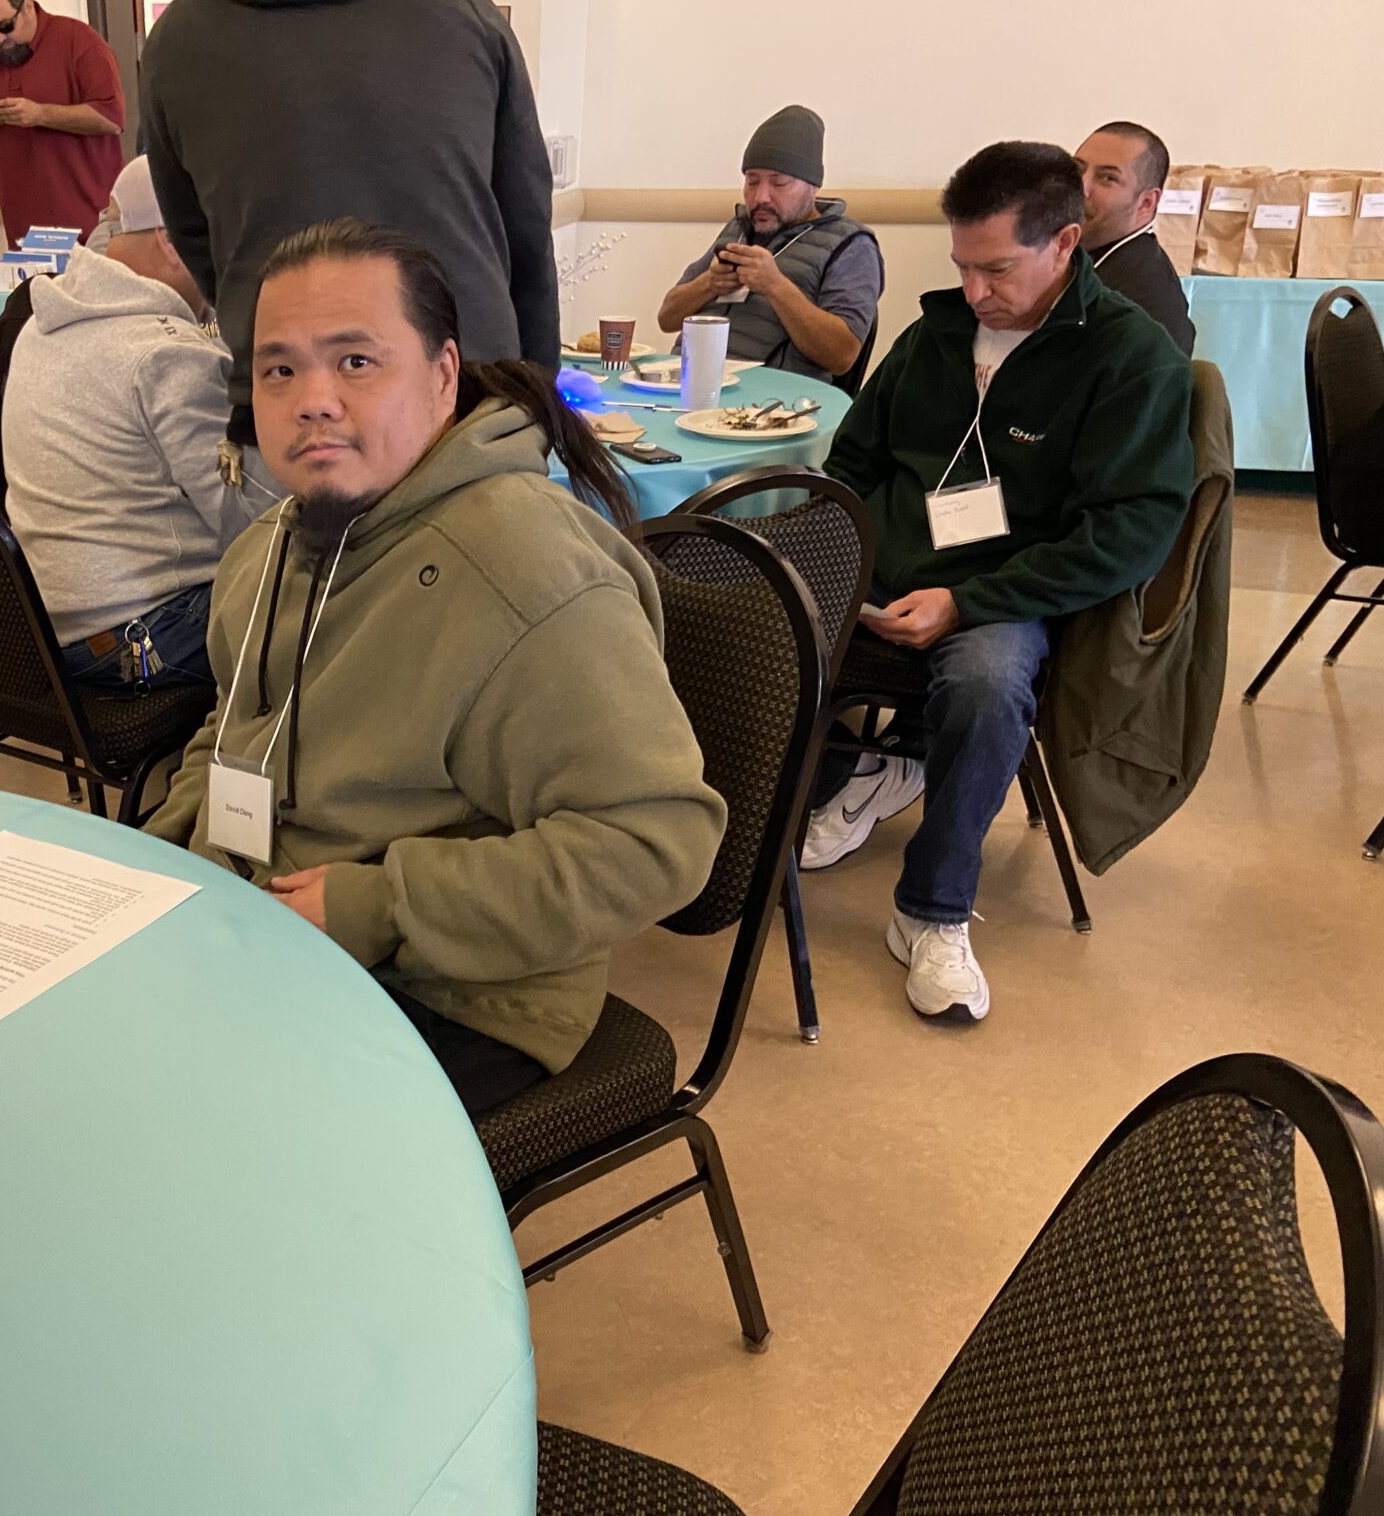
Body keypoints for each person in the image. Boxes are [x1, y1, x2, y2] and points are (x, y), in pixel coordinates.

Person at [143, 219, 724, 1115]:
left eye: (356, 362)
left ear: (443, 376)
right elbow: (232, 728)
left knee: (188, 1134)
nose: (312, 399)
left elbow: (658, 840)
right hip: (271, 923)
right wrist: (162, 860)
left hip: (463, 993)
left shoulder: (525, 574)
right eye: (279, 368)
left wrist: (378, 907)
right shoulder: (268, 550)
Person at [806, 142, 1193, 1023]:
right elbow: (854, 462)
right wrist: (845, 563)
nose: (976, 291)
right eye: (962, 268)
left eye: (997, 270)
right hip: (887, 570)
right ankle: (759, 830)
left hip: (1005, 590)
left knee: (985, 685)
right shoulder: (933, 336)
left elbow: (1129, 532)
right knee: (752, 611)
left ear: (1065, 244)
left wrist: (968, 601)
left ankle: (932, 913)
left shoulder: (1131, 358)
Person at [140, 0, 558, 446]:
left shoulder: (176, 39)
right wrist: (536, 392)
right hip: (465, 394)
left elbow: (194, 236)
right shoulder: (463, 12)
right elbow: (526, 224)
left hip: (295, 396)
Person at [2, 158, 267, 689]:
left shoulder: (42, 323)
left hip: (46, 627)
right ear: (173, 242)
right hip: (140, 636)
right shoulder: (164, 355)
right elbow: (250, 522)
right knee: (340, 601)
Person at [656, 106, 883, 384]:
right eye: (752, 182)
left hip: (771, 402)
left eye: (779, 183)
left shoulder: (851, 245)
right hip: (689, 383)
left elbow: (842, 357)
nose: (761, 196)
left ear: (812, 186)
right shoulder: (738, 228)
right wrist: (709, 284)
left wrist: (775, 285)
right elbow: (666, 319)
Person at [0, 0, 125, 245]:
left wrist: (40, 114)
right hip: (24, 234)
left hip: (91, 226)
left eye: (5, 26)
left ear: (28, 7)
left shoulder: (79, 41)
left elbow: (111, 118)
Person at [1074, 121, 1196, 355]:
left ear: (1146, 203)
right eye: (1077, 169)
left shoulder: (1145, 298)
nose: (1082, 187)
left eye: (1107, 178)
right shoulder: (1079, 259)